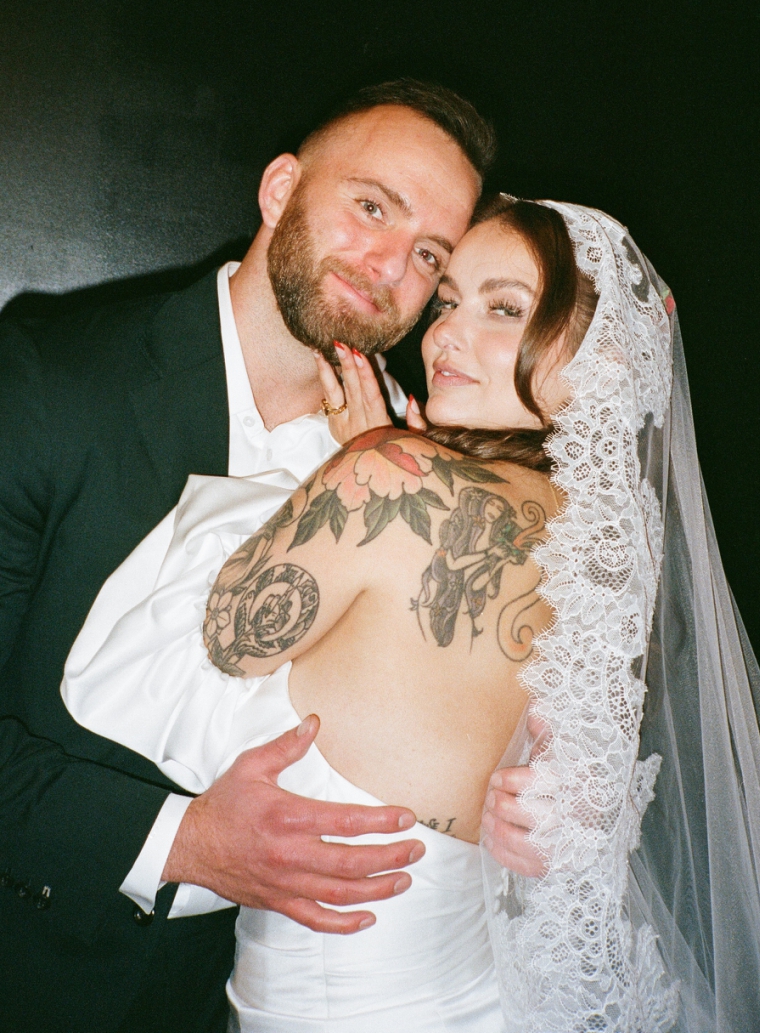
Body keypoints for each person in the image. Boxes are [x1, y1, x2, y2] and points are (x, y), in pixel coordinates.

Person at [62, 196, 760, 1030]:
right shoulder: (611, 548)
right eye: (446, 301)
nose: (445, 335)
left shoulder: (393, 473)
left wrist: (339, 464)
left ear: (607, 359)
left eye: (505, 309)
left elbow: (223, 639)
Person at [0, 79, 489, 1031]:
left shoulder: (424, 468)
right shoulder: (46, 379)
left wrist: (496, 799)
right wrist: (175, 839)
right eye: (372, 206)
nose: (391, 261)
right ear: (280, 190)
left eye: (429, 252)